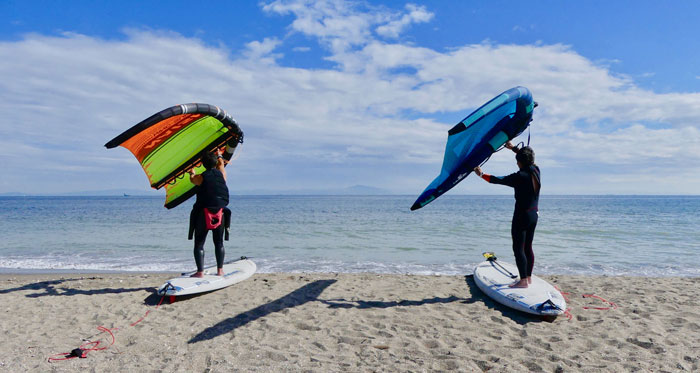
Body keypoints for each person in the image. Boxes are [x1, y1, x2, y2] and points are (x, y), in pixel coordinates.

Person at [473, 142, 540, 288]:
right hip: (534, 215)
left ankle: (522, 282)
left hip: (521, 216)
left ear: (519, 162)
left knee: (518, 248)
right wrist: (514, 148)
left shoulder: (520, 176)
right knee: (528, 247)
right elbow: (528, 158)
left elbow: (497, 179)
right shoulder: (536, 170)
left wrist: (481, 174)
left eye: (517, 161)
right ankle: (528, 278)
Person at [188, 150, 229, 278]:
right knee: (219, 242)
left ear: (202, 163)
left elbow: (192, 180)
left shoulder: (201, 177)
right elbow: (221, 165)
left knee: (199, 244)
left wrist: (191, 172)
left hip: (203, 215)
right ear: (215, 162)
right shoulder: (222, 175)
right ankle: (220, 270)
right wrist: (220, 155)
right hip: (219, 214)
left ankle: (200, 272)